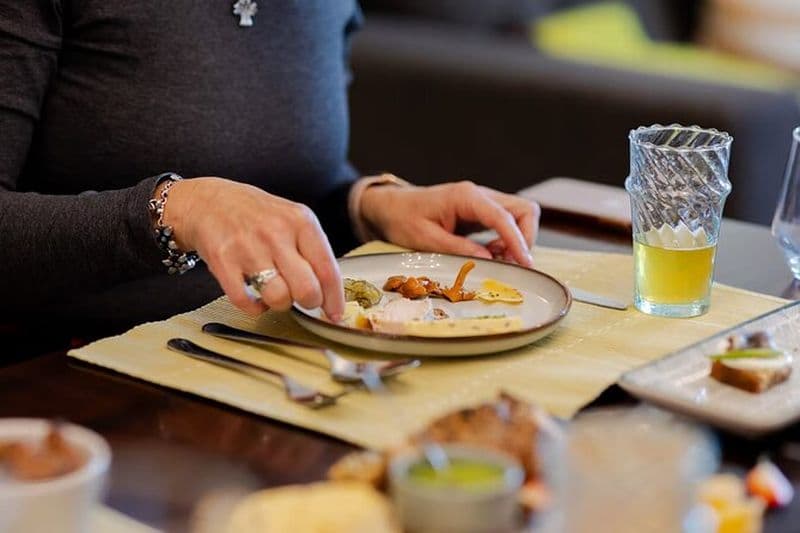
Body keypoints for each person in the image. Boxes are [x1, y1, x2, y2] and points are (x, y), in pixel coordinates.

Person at [0, 1, 538, 332]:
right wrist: (174, 209)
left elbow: (285, 174)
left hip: (276, 357)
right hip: (71, 386)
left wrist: (369, 205)